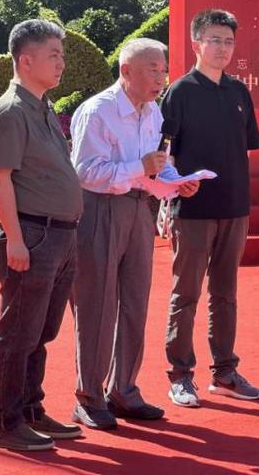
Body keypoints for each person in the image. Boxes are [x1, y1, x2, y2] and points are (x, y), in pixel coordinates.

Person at [69, 38, 200, 430]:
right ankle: (89, 396)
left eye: (163, 70)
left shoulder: (153, 111)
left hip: (140, 210)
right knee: (97, 304)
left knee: (135, 301)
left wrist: (176, 183)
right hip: (99, 210)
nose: (161, 78)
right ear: (126, 71)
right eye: (152, 70)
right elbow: (85, 172)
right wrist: (139, 167)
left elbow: (154, 167)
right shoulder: (98, 111)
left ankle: (123, 389)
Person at [0, 19, 84, 452]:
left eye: (62, 55)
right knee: (18, 333)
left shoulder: (41, 106)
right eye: (53, 56)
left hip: (58, 235)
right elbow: (0, 178)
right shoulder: (11, 111)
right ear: (26, 61)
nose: (61, 63)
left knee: (40, 332)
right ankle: (5, 422)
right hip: (32, 234)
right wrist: (14, 239)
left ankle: (29, 409)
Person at [161, 9, 259, 408]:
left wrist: (240, 197)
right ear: (196, 44)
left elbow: (246, 151)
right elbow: (163, 151)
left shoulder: (239, 92)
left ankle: (224, 372)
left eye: (229, 41)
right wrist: (172, 189)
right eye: (215, 40)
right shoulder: (180, 92)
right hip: (193, 209)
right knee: (186, 293)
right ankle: (180, 375)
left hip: (234, 208)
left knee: (226, 293)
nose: (223, 48)